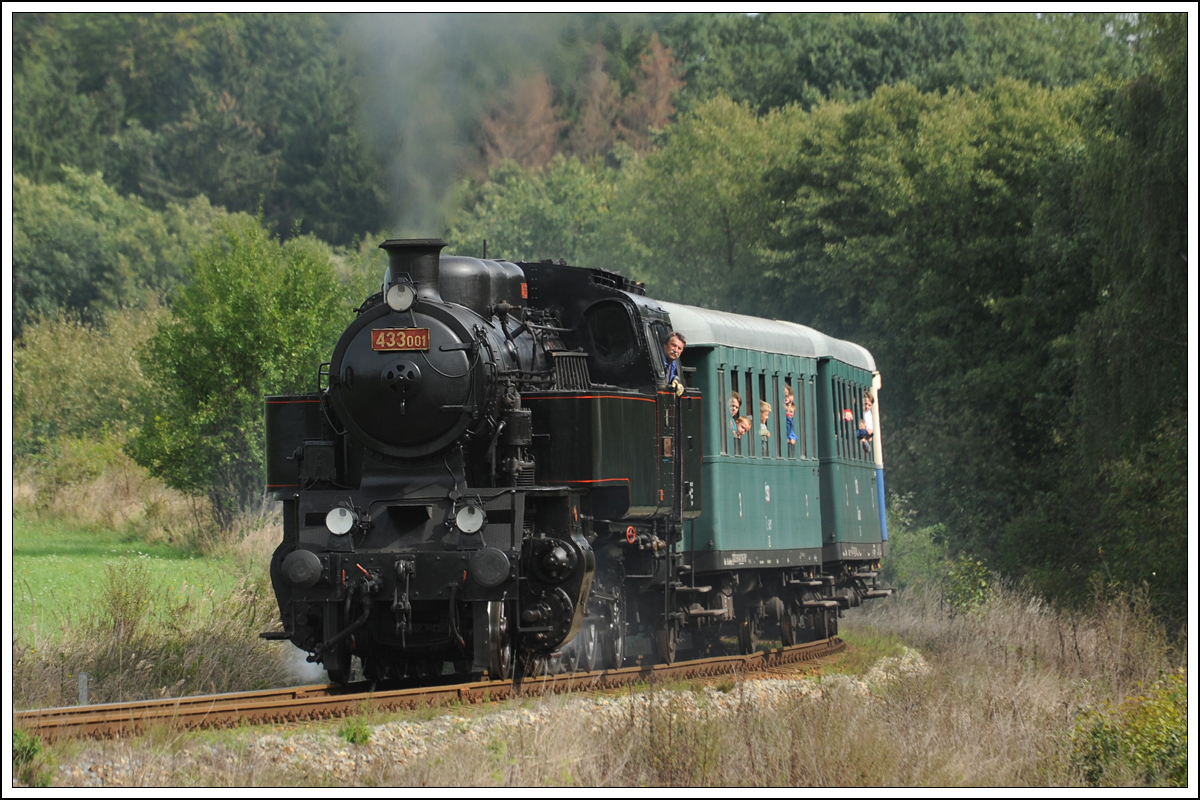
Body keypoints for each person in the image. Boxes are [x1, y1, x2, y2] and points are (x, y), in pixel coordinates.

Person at [663, 332, 686, 396]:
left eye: (679, 348)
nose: (675, 350)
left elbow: (672, 376)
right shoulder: (658, 360)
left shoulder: (673, 363)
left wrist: (676, 380)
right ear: (666, 345)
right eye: (673, 345)